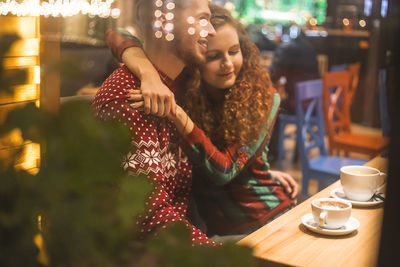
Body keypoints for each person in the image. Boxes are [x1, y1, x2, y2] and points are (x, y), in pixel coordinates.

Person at [106, 4, 298, 240]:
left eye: (234, 51)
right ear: (198, 59)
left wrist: (176, 112)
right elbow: (115, 34)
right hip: (215, 229)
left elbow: (224, 170)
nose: (227, 63)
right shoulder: (187, 88)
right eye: (214, 56)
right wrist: (148, 73)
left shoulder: (260, 96)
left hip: (262, 219)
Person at [92, 0, 218, 246]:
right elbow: (149, 219)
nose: (211, 31)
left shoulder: (171, 84)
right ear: (164, 21)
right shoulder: (130, 97)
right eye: (203, 19)